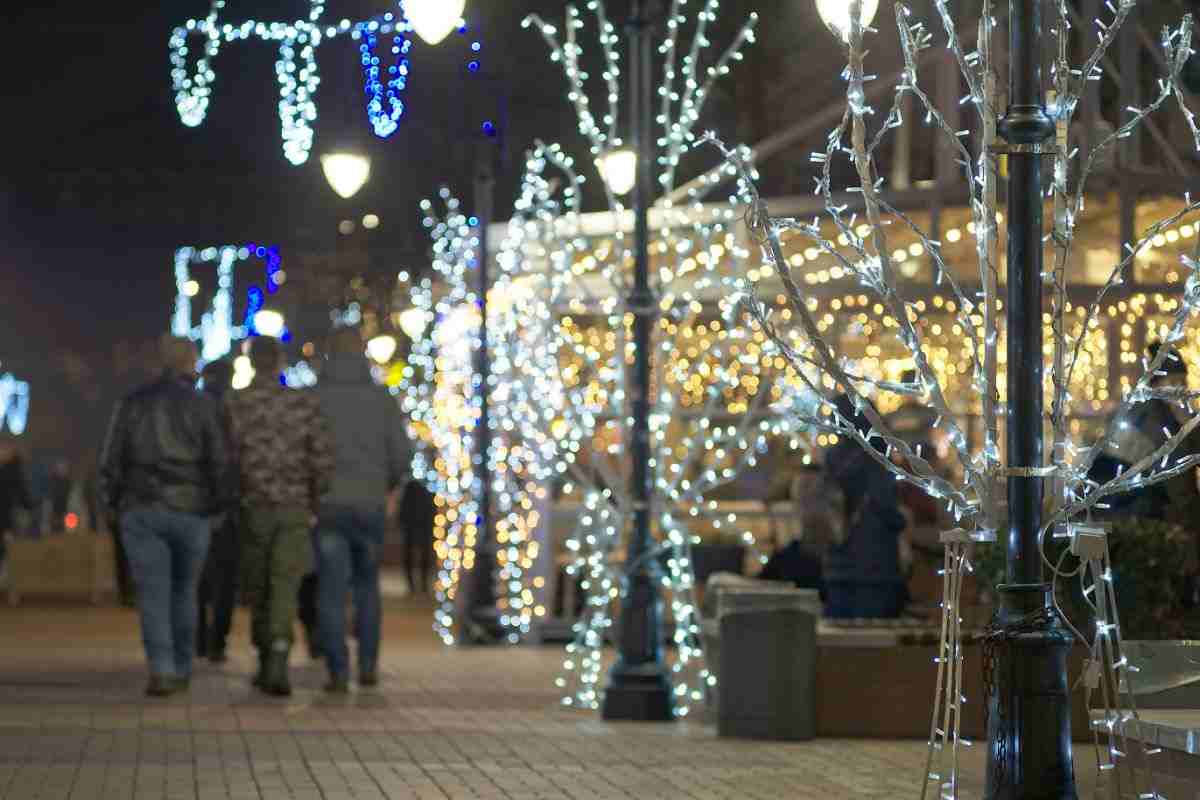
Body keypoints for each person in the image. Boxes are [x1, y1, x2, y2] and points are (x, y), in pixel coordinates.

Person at [98, 336, 231, 697]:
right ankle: (183, 665)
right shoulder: (204, 407)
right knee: (185, 592)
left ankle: (162, 668)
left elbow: (111, 461)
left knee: (153, 593)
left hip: (142, 508)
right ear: (192, 363)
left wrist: (113, 505)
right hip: (192, 509)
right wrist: (219, 506)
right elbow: (220, 463)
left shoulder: (132, 404)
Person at [227, 337, 332, 697]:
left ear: (253, 362)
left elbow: (226, 456)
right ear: (280, 362)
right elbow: (320, 457)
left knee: (258, 584)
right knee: (285, 582)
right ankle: (278, 656)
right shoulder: (301, 404)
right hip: (294, 506)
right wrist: (315, 499)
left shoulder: (236, 404)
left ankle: (265, 654)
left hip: (252, 506)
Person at [312, 328, 411, 692]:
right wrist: (385, 484)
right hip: (368, 504)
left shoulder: (315, 398)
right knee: (368, 586)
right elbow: (401, 454)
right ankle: (368, 665)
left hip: (328, 505)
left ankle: (338, 669)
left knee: (332, 588)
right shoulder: (381, 399)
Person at [822, 394, 909, 619]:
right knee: (874, 642)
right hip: (876, 564)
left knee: (842, 641)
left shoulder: (833, 458)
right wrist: (901, 522)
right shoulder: (875, 457)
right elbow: (885, 504)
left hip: (839, 564)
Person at [196, 359, 238, 663]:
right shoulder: (236, 408)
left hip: (196, 502)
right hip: (230, 503)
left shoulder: (193, 408)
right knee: (225, 577)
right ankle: (218, 641)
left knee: (197, 576)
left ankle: (198, 638)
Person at [0, 438, 33, 583]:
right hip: (6, 518)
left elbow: (21, 492)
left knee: (7, 549)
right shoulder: (12, 469)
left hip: (6, 518)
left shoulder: (12, 470)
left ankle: (9, 582)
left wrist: (29, 505)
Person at [401, 478, 435, 596]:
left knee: (417, 554)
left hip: (416, 525)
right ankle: (418, 584)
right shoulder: (423, 487)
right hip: (417, 525)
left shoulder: (423, 486)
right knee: (416, 554)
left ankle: (417, 584)